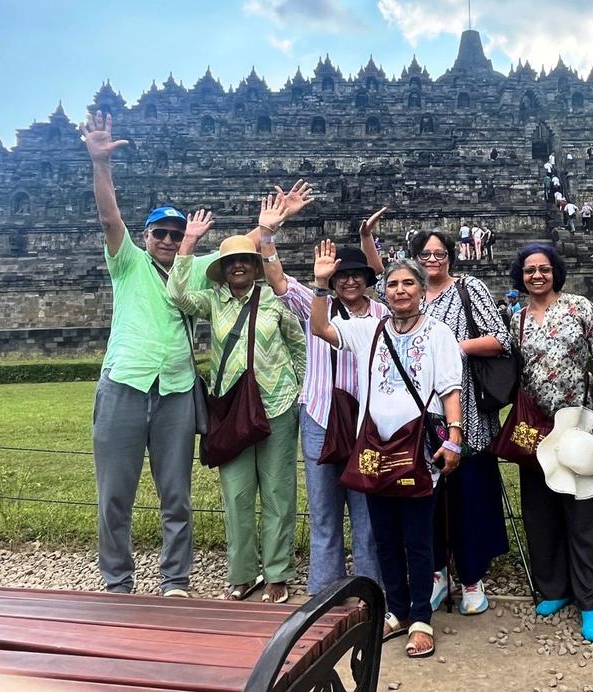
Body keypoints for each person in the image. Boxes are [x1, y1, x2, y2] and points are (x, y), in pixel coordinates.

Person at [310, 247, 463, 659]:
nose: (400, 290)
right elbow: (322, 328)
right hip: (375, 447)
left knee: (417, 538)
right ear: (386, 290)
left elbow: (451, 390)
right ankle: (395, 611)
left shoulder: (438, 334)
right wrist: (322, 284)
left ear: (421, 289)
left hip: (418, 448)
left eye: (408, 283)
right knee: (384, 538)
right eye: (393, 283)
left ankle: (420, 618)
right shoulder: (369, 329)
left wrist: (453, 438)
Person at [83, 110, 207, 597]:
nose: (169, 241)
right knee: (115, 495)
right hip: (125, 384)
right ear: (147, 235)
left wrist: (268, 232)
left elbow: (244, 266)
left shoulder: (193, 270)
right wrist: (100, 163)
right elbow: (109, 216)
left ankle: (175, 579)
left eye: (177, 235)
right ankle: (118, 579)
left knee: (176, 495)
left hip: (176, 390)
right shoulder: (128, 261)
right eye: (161, 233)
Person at [168, 214, 306, 603]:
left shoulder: (275, 302)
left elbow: (298, 347)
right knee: (237, 496)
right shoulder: (213, 301)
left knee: (279, 493)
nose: (239, 265)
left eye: (246, 259)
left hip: (277, 406)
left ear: (257, 265)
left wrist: (299, 390)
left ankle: (278, 573)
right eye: (231, 261)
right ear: (223, 269)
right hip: (230, 410)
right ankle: (242, 573)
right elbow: (176, 294)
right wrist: (188, 245)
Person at [257, 199, 386, 597]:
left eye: (356, 275)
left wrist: (368, 240)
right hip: (319, 414)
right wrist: (266, 234)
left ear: (367, 279)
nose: (349, 282)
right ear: (331, 279)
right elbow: (278, 281)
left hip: (367, 419)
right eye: (341, 275)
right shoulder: (318, 304)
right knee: (324, 510)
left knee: (367, 511)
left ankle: (369, 589)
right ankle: (323, 592)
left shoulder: (382, 313)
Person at [403, 227, 512, 615]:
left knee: (471, 497)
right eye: (425, 254)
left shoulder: (469, 288)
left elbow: (501, 338)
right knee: (426, 500)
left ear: (451, 256)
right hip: (419, 415)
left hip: (466, 408)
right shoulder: (409, 291)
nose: (433, 260)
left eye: (440, 254)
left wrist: (449, 348)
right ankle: (436, 573)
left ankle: (472, 578)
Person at [510, 244, 593, 642]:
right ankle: (554, 588)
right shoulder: (515, 320)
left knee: (581, 512)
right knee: (539, 511)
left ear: (555, 272)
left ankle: (589, 601)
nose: (537, 276)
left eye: (544, 269)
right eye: (530, 270)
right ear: (521, 275)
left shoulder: (580, 308)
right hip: (535, 427)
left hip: (579, 422)